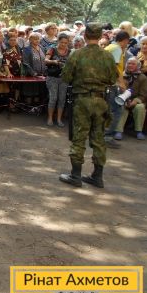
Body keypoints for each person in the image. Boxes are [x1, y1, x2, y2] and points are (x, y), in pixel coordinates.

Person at [59, 23, 117, 188]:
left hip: (82, 100)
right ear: (100, 36)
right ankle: (97, 176)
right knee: (99, 138)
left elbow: (66, 77)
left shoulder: (77, 54)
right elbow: (113, 79)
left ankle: (75, 175)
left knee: (79, 137)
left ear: (85, 36)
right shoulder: (107, 56)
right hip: (100, 100)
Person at [113, 57, 147, 140]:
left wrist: (135, 101)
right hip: (123, 99)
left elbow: (143, 95)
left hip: (136, 100)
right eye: (129, 63)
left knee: (140, 107)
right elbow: (116, 91)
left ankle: (139, 131)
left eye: (133, 64)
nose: (130, 65)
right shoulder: (121, 76)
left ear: (138, 66)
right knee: (121, 106)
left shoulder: (142, 77)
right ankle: (118, 131)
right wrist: (124, 100)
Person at [45, 33, 70, 127]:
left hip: (64, 78)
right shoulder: (52, 49)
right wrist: (53, 61)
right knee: (53, 98)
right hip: (52, 77)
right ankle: (50, 118)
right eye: (62, 42)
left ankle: (59, 119)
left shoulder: (70, 51)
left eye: (65, 43)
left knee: (62, 99)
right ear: (58, 41)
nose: (63, 44)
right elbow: (45, 60)